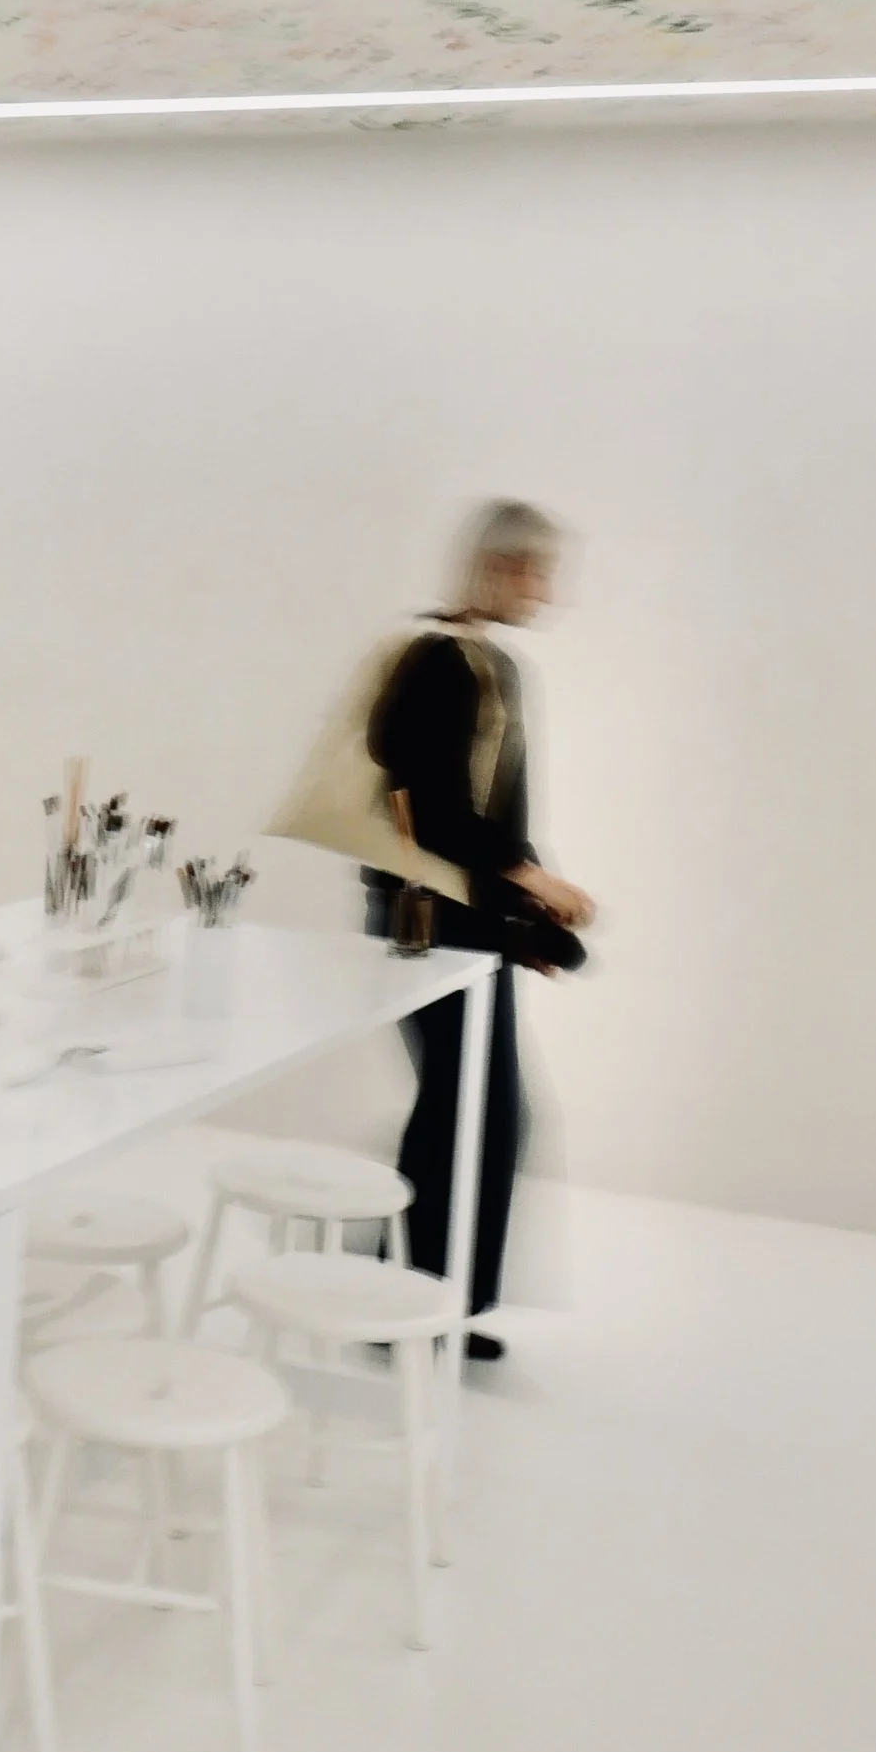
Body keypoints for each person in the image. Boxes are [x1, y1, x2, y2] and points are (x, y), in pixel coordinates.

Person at [363, 501, 595, 1362]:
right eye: (536, 572)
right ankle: (406, 1302)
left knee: (474, 1114)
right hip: (424, 924)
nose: (545, 591)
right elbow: (419, 804)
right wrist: (528, 880)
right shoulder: (436, 658)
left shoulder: (493, 664)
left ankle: (422, 1300)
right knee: (469, 1113)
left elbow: (497, 817)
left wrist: (525, 917)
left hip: (468, 922)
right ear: (496, 566)